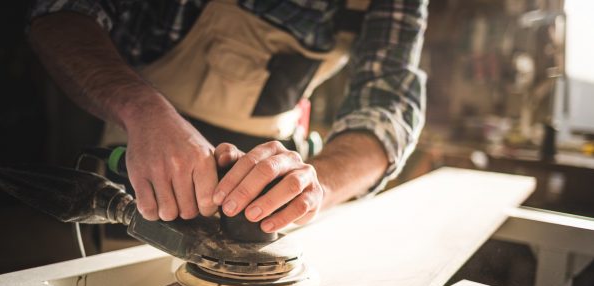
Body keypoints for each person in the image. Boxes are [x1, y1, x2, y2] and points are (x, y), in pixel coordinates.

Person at [28, 0, 427, 234]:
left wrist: (315, 187)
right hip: (130, 157)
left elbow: (389, 104)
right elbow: (60, 12)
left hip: (271, 179)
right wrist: (142, 110)